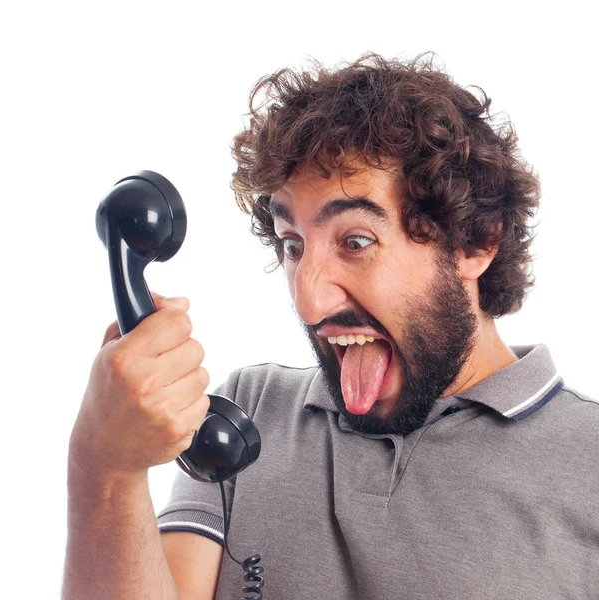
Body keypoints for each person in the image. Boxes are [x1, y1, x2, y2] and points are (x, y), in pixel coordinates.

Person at [63, 54, 599, 599]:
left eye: (356, 241)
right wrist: (104, 466)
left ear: (477, 241)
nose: (309, 299)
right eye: (293, 245)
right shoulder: (249, 413)